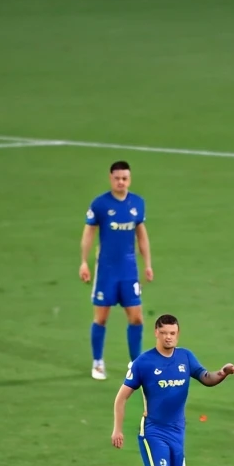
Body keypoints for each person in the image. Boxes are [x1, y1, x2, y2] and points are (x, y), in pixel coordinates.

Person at [112, 315, 234, 466]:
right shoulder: (143, 363)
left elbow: (206, 378)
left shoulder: (185, 357)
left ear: (177, 334)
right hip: (154, 431)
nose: (168, 337)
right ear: (156, 333)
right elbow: (121, 397)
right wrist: (117, 429)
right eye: (164, 332)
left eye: (173, 333)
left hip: (177, 431)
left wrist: (223, 372)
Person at [79, 160, 153, 380]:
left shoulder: (137, 203)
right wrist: (84, 261)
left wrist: (147, 264)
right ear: (111, 178)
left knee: (137, 318)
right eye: (117, 178)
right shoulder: (100, 204)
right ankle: (98, 362)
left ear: (129, 179)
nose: (121, 182)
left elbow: (142, 235)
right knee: (101, 317)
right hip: (106, 271)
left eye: (125, 178)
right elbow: (89, 233)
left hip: (129, 270)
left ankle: (136, 364)